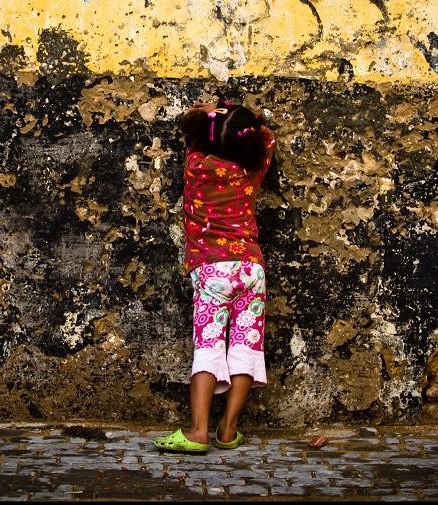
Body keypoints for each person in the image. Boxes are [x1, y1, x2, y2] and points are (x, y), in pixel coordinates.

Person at [153, 99, 276, 453]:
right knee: (245, 347)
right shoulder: (253, 168)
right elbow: (266, 136)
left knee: (209, 346)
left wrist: (210, 111)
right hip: (251, 268)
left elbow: (189, 125)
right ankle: (227, 430)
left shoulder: (196, 166)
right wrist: (237, 111)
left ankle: (197, 431)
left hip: (211, 270)